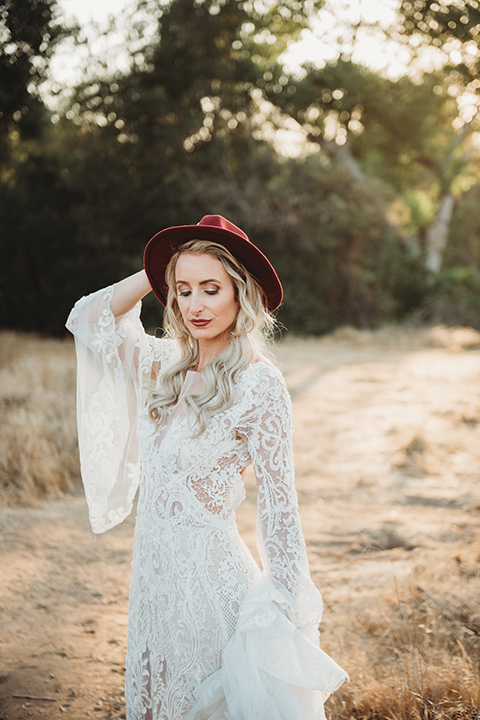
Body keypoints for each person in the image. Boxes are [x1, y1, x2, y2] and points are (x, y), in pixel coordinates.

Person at [66, 214, 348, 720]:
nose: (194, 305)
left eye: (211, 289)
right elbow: (88, 319)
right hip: (153, 583)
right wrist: (157, 271)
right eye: (182, 290)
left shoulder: (260, 385)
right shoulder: (163, 366)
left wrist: (286, 607)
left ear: (241, 294)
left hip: (211, 586)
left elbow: (279, 504)